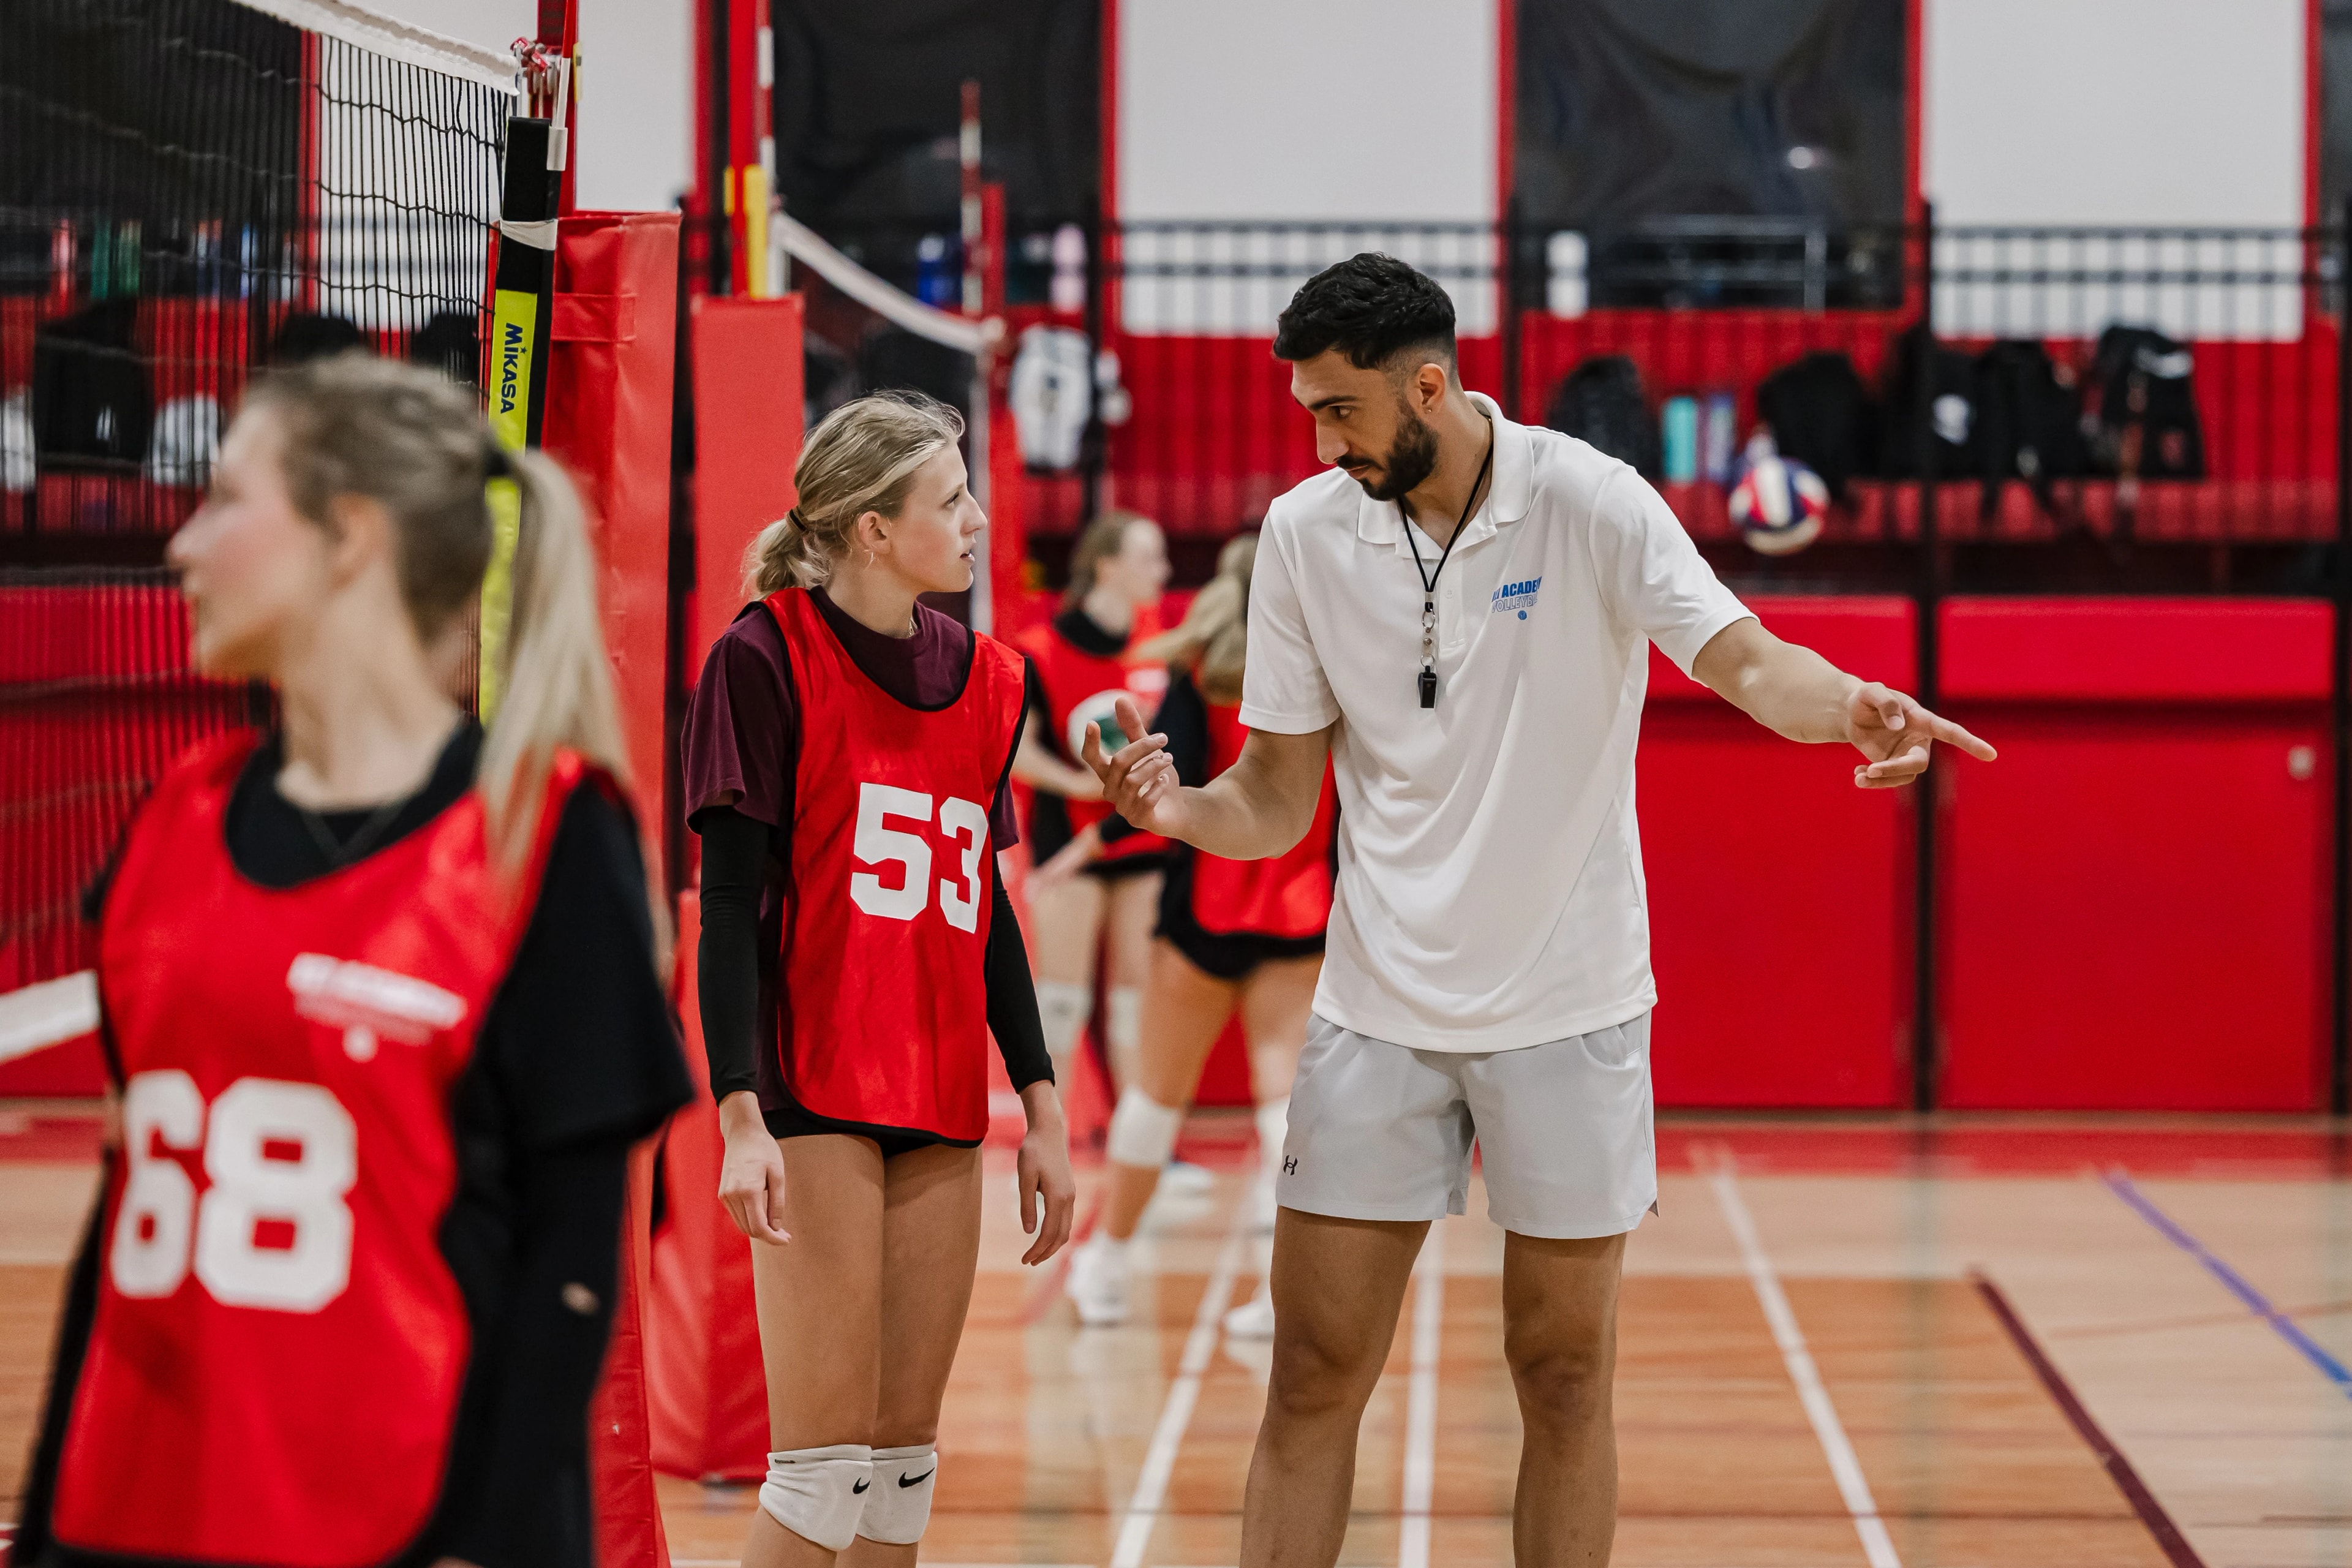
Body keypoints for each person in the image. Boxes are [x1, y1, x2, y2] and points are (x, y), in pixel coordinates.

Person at [1084, 254, 1998, 1567]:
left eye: (1340, 410)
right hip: (1377, 1011)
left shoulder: (1590, 500)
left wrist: (1849, 701)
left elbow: (1744, 657)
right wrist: (1169, 812)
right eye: (1309, 412)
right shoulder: (1301, 534)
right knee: (1310, 1374)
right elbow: (1279, 795)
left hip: (1569, 1011)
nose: (1321, 439)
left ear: (1431, 385)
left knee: (1563, 1376)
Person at [15, 354, 693, 1568]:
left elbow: (571, 1272)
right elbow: (123, 1228)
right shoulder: (175, 814)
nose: (184, 543)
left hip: (395, 1519)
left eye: (227, 499)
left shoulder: (542, 839)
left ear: (348, 537)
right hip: (135, 1515)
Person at [684, 390, 1077, 1568]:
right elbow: (730, 913)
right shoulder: (762, 660)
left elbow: (986, 911)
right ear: (869, 529)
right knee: (818, 1480)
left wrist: (1044, 1106)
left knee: (901, 1478)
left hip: (942, 1095)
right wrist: (739, 1113)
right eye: (949, 499)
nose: (975, 518)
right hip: (812, 1091)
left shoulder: (990, 678)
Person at [1046, 535, 1336, 1334]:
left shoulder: (1200, 668)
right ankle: (1283, 1293)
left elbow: (1155, 792)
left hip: (1204, 908)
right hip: (1299, 907)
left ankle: (1105, 1262)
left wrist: (1093, 842)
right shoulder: (1333, 667)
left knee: (1154, 1102)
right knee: (1285, 1109)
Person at [1008, 509, 1172, 1097]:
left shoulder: (1159, 650)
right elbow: (1018, 751)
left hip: (1144, 843)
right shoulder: (1039, 650)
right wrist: (1078, 785)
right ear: (1107, 564)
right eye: (1149, 557)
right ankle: (1053, 1132)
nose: (1164, 570)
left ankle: (1139, 1138)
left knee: (1135, 997)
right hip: (1065, 842)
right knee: (1061, 999)